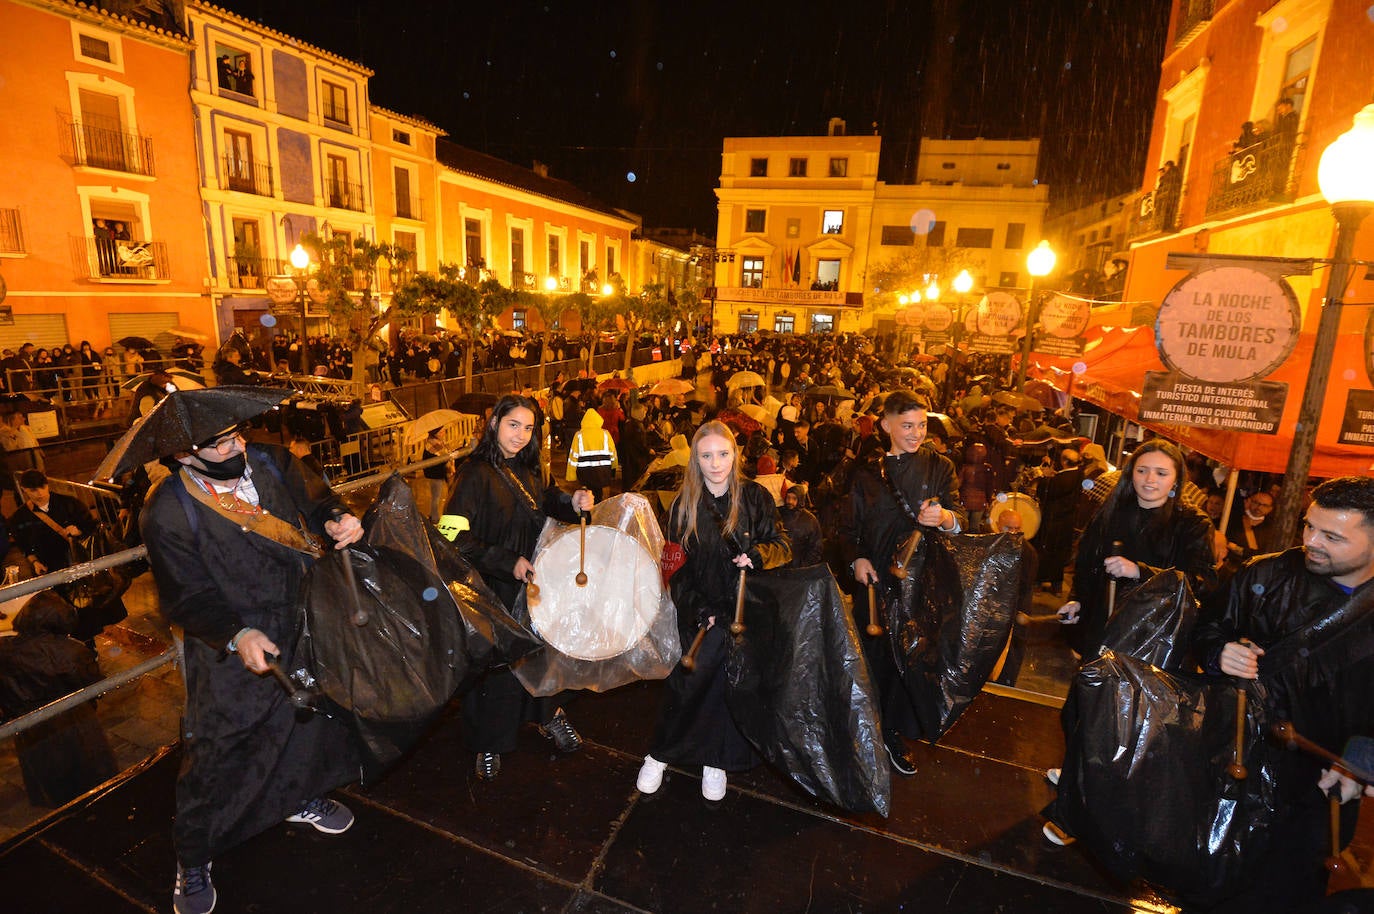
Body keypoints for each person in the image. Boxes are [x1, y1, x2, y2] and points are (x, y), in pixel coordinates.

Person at [140, 422, 365, 914]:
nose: (235, 447)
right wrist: (236, 634)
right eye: (219, 444)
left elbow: (319, 499)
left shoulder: (273, 461)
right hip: (228, 637)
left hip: (300, 616)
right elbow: (185, 597)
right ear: (184, 455)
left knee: (303, 721)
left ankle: (298, 796)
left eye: (236, 435)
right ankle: (194, 855)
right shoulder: (168, 510)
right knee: (218, 746)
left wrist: (337, 518)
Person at [1192, 477, 1374, 913]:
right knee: (1210, 883)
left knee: (1288, 894)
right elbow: (1205, 628)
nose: (1311, 541)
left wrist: (1360, 764)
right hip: (1237, 759)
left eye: (1332, 536)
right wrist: (1220, 652)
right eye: (1309, 526)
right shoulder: (1266, 573)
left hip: (1325, 782)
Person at [635, 420, 792, 801]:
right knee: (688, 687)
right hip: (702, 613)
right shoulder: (682, 507)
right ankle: (660, 753)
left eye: (723, 454)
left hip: (744, 611)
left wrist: (759, 555)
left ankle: (715, 761)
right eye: (707, 455)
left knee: (727, 689)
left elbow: (783, 543)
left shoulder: (755, 497)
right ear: (695, 459)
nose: (716, 463)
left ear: (735, 454)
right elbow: (675, 569)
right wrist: (695, 607)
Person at [446, 395, 591, 781]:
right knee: (493, 671)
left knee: (539, 660)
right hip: (490, 589)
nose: (521, 435)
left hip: (534, 585)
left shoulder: (531, 466)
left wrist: (571, 500)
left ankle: (547, 716)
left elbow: (546, 501)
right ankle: (488, 743)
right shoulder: (473, 473)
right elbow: (450, 536)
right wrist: (504, 561)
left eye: (528, 428)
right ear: (493, 423)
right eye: (514, 425)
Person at [839, 390, 964, 776]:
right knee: (871, 659)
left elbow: (961, 520)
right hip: (874, 581)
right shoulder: (864, 473)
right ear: (885, 425)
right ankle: (861, 730)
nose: (916, 433)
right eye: (907, 425)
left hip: (922, 582)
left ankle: (892, 731)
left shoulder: (939, 466)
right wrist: (855, 560)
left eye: (922, 425)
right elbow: (847, 529)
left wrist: (944, 517)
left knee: (909, 662)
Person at [0, 591, 117, 807]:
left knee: (50, 779)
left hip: (30, 727)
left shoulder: (5, 649)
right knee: (84, 775)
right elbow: (93, 684)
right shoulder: (72, 652)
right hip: (72, 722)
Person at [566, 404, 617, 501]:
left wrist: (571, 475)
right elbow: (613, 452)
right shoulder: (605, 434)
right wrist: (613, 466)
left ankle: (588, 513)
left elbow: (573, 456)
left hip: (585, 473)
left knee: (587, 496)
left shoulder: (579, 435)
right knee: (599, 495)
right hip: (603, 471)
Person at [418, 428, 452, 523]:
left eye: (443, 431)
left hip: (439, 473)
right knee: (436, 497)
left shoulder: (439, 442)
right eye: (440, 432)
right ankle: (434, 518)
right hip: (436, 474)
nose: (443, 433)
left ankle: (434, 516)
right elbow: (445, 456)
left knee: (437, 496)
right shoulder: (433, 443)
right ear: (435, 434)